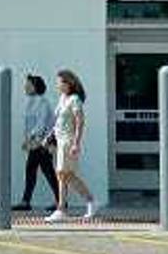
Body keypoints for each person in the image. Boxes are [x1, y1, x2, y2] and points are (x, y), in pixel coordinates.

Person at [45, 69, 97, 222]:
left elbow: (80, 121)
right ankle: (89, 200)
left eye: (60, 82)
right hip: (60, 140)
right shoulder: (63, 98)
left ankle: (62, 208)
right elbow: (58, 122)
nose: (57, 85)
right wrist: (50, 136)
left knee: (62, 173)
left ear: (68, 83)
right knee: (66, 175)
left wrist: (76, 143)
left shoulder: (75, 99)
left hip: (68, 140)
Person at [15, 73, 58, 212]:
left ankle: (27, 201)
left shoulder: (42, 102)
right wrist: (29, 140)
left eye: (28, 85)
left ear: (35, 87)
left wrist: (29, 140)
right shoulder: (31, 102)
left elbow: (40, 125)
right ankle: (26, 201)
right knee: (36, 170)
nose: (25, 87)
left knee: (43, 171)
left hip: (43, 142)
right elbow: (30, 125)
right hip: (37, 142)